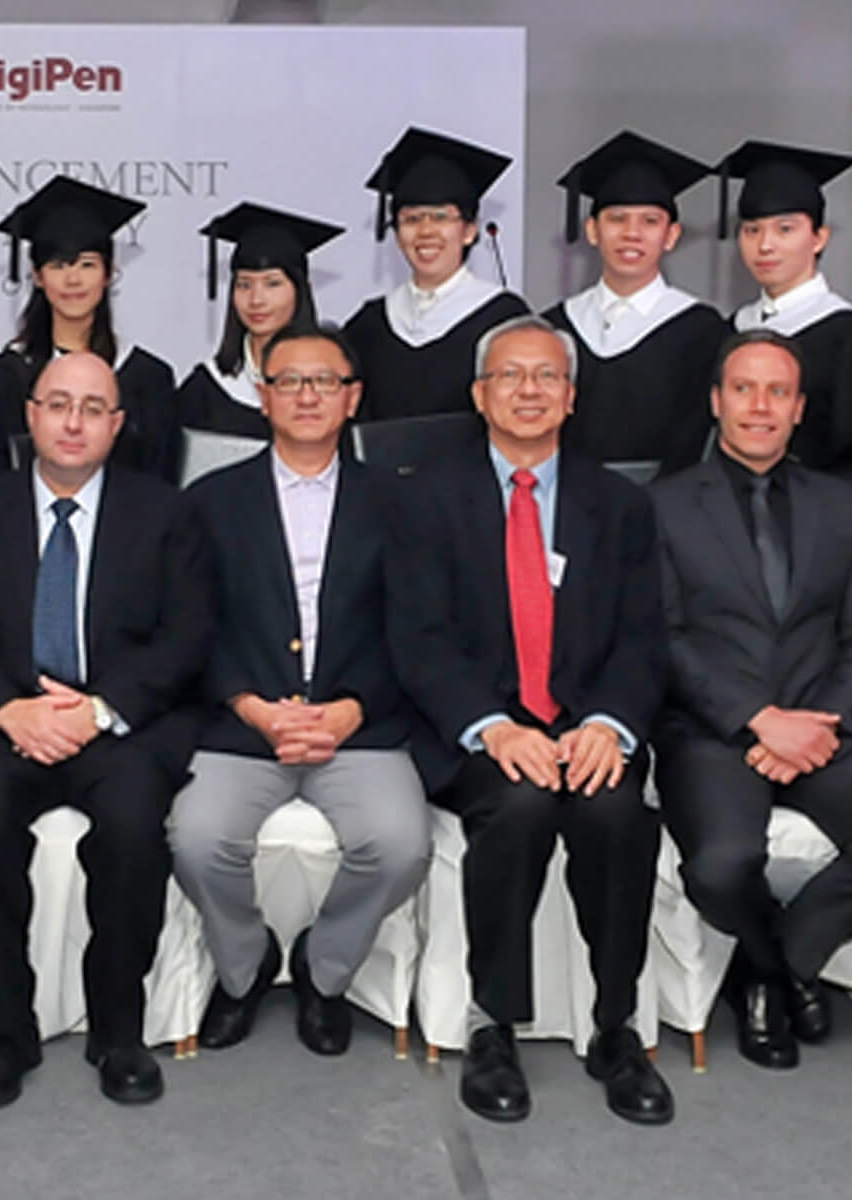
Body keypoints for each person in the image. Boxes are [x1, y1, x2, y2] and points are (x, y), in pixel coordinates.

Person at [388, 314, 673, 1126]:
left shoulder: (618, 504)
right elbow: (416, 638)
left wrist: (610, 724)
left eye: (547, 376)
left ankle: (615, 1027)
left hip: (586, 724)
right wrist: (492, 725)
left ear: (572, 398)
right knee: (517, 806)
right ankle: (494, 1025)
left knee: (617, 811)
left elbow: (642, 637)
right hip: (479, 731)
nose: (528, 391)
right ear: (479, 395)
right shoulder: (424, 498)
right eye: (510, 375)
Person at [0, 351, 215, 1109]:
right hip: (10, 721)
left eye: (93, 408)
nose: (74, 422)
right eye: (58, 404)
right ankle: (5, 1030)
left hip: (118, 725)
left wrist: (98, 710)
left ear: (118, 425)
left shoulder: (165, 512)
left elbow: (186, 637)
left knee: (130, 827)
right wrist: (7, 710)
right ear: (30, 414)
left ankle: (118, 1029)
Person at [171, 323, 430, 1054]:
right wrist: (250, 705)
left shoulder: (402, 503)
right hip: (243, 726)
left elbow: (416, 628)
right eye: (289, 380)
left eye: (325, 381)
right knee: (196, 839)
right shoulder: (210, 501)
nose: (307, 394)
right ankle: (244, 967)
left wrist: (351, 710)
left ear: (353, 398)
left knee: (400, 845)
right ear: (263, 396)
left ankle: (325, 970)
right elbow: (192, 626)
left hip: (361, 723)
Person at [652, 328, 852, 1070]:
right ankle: (773, 970)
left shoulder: (842, 505)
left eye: (777, 392)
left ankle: (776, 965)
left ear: (800, 408)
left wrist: (820, 725)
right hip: (712, 732)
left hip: (826, 726)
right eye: (743, 389)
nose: (759, 406)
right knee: (720, 865)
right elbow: (663, 640)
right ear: (716, 403)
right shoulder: (662, 506)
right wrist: (760, 719)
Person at [0, 176, 176, 480]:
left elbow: (163, 489)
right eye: (58, 266)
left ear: (109, 274)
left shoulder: (149, 379)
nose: (73, 280)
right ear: (38, 277)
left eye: (87, 265)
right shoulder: (3, 380)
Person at [544, 130, 726, 471]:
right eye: (617, 219)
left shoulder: (701, 329)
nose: (632, 233)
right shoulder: (555, 326)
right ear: (592, 230)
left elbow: (698, 437)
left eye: (650, 221)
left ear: (671, 236)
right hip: (566, 503)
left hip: (665, 508)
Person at [345, 127, 529, 425]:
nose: (426, 231)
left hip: (472, 473)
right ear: (396, 233)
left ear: (469, 231)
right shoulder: (368, 325)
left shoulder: (505, 318)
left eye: (441, 217)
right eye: (412, 219)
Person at [171, 203, 343, 480]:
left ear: (300, 289)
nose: (256, 299)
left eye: (272, 283)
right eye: (244, 285)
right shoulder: (206, 388)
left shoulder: (330, 384)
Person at [717, 141, 852, 473]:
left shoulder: (844, 332)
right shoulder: (732, 328)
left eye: (785, 229)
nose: (765, 245)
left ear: (819, 237)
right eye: (752, 230)